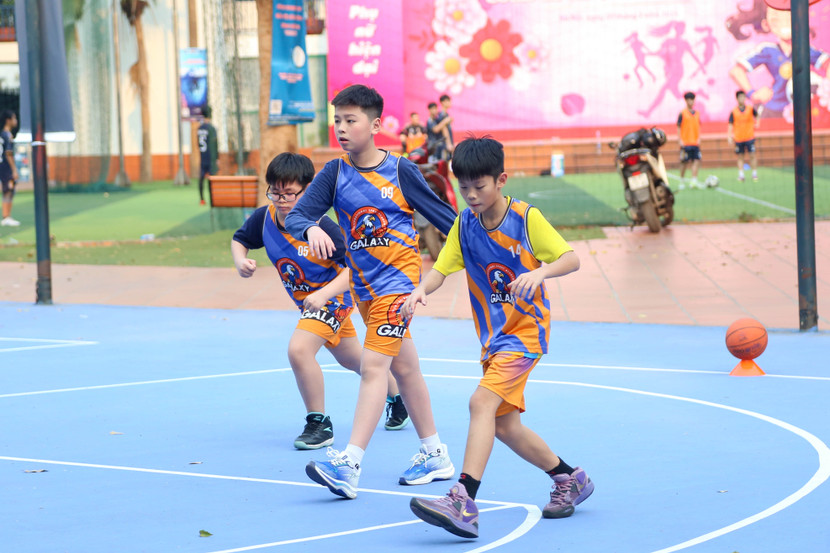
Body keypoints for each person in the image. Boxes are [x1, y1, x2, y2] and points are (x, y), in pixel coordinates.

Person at [403, 137, 592, 539]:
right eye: (464, 187)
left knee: (480, 403)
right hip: (495, 339)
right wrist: (421, 289)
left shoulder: (525, 219)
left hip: (526, 334)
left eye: (480, 186)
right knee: (505, 427)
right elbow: (442, 268)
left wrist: (540, 272)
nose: (471, 195)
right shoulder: (464, 224)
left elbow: (571, 258)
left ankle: (463, 500)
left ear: (501, 180)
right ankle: (570, 478)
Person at [285, 84, 458, 499]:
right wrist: (310, 228)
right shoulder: (334, 173)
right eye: (337, 121)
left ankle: (350, 463)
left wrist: (481, 254)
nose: (341, 128)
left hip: (397, 290)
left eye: (351, 120)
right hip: (363, 290)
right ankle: (435, 454)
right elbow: (297, 216)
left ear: (376, 125)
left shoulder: (401, 171)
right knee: (406, 370)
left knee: (374, 369)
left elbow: (449, 220)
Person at [231, 152, 410, 450]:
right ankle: (397, 398)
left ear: (308, 190)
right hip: (310, 304)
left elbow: (356, 268)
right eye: (275, 192)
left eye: (290, 193)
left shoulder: (323, 227)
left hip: (334, 298)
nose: (281, 200)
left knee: (299, 350)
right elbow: (240, 239)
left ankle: (319, 424)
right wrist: (240, 261)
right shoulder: (265, 218)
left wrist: (324, 294)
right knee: (354, 360)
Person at [728, 90, 761, 183]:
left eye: (743, 97)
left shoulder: (750, 108)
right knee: (740, 157)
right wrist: (729, 136)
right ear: (737, 99)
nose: (742, 99)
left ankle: (754, 174)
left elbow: (757, 115)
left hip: (749, 137)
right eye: (740, 97)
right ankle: (741, 175)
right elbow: (730, 124)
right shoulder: (734, 111)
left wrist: (757, 123)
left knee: (752, 155)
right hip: (738, 138)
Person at [677, 91, 703, 189]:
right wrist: (680, 139)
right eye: (688, 100)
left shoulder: (697, 113)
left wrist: (699, 138)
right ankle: (682, 180)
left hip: (695, 142)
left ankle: (694, 181)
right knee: (684, 162)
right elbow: (678, 127)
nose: (690, 102)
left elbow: (698, 126)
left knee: (696, 160)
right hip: (686, 142)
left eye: (692, 100)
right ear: (686, 101)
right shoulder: (682, 113)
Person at [0, 110, 20, 227]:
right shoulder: (7, 135)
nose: (15, 121)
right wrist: (14, 169)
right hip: (6, 167)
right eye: (14, 118)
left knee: (8, 190)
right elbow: (8, 153)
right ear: (8, 120)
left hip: (2, 166)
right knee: (9, 190)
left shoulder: (2, 134)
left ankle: (6, 216)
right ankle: (6, 217)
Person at [197, 106, 219, 206]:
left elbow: (198, 143)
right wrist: (217, 158)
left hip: (203, 157)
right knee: (211, 179)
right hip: (211, 158)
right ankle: (212, 200)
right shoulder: (211, 128)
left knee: (201, 178)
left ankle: (202, 199)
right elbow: (214, 143)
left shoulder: (200, 128)